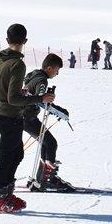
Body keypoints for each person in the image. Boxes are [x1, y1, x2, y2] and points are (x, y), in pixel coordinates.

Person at [0, 23, 55, 213]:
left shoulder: (0, 58)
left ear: (7, 40)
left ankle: (5, 193)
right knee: (6, 156)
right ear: (25, 41)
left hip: (1, 113)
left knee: (16, 153)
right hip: (10, 116)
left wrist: (14, 89)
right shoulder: (18, 64)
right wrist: (40, 98)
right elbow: (14, 99)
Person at [23, 53, 72, 192]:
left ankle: (41, 178)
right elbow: (41, 99)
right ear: (50, 68)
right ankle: (48, 179)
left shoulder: (34, 74)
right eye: (57, 70)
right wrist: (59, 110)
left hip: (24, 116)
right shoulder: (42, 80)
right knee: (51, 143)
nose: (57, 73)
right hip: (27, 117)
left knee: (46, 143)